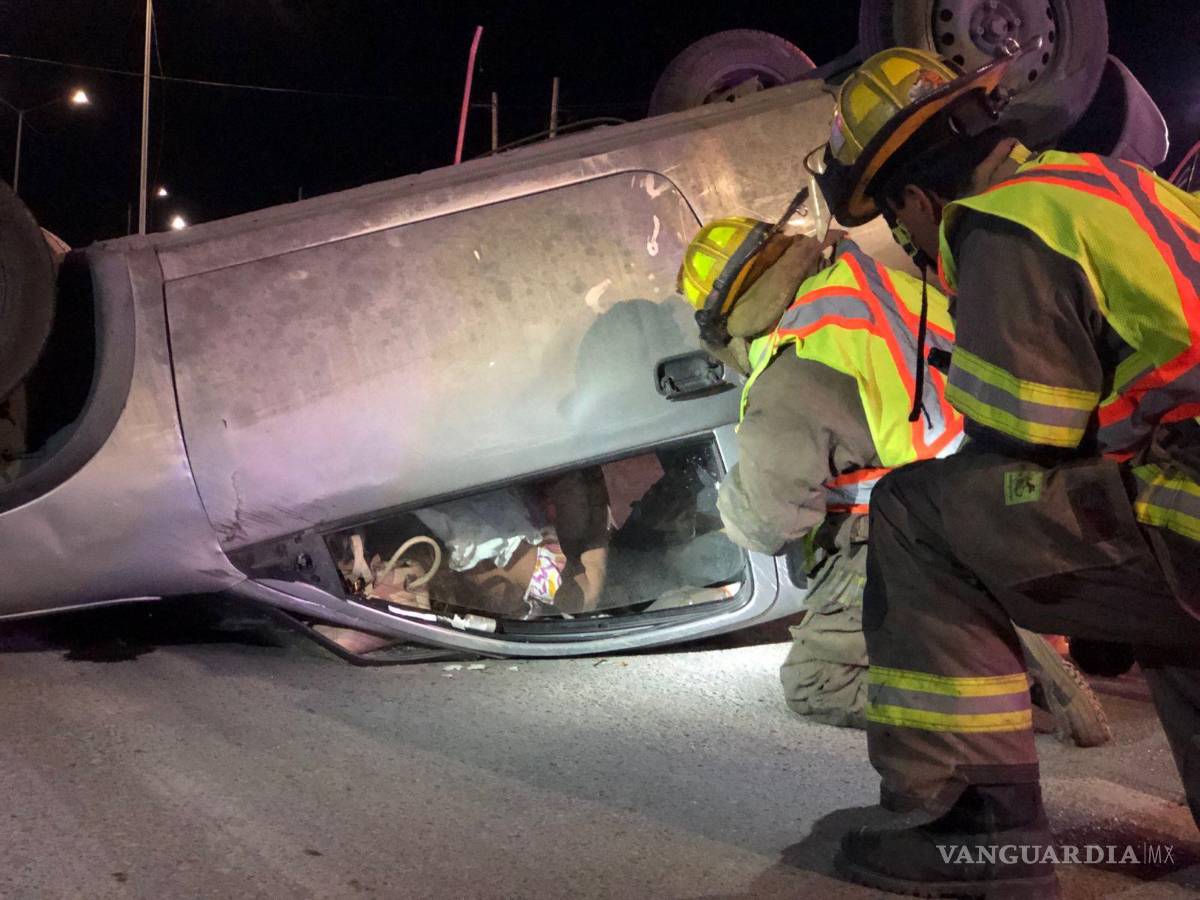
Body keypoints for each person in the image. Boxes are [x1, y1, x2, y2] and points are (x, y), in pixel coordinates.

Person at [808, 45, 1200, 897]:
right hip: (1185, 504)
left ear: (916, 195)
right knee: (1161, 593)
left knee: (917, 509)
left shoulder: (1000, 224)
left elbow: (1030, 437)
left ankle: (971, 838)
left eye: (896, 220)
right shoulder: (1111, 186)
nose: (910, 242)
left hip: (1190, 520)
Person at [676, 215, 1108, 744]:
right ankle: (1001, 623)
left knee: (816, 681)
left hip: (921, 528)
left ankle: (988, 691)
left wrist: (727, 498)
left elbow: (768, 524)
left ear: (723, 322)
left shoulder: (792, 369)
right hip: (1012, 488)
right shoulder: (864, 285)